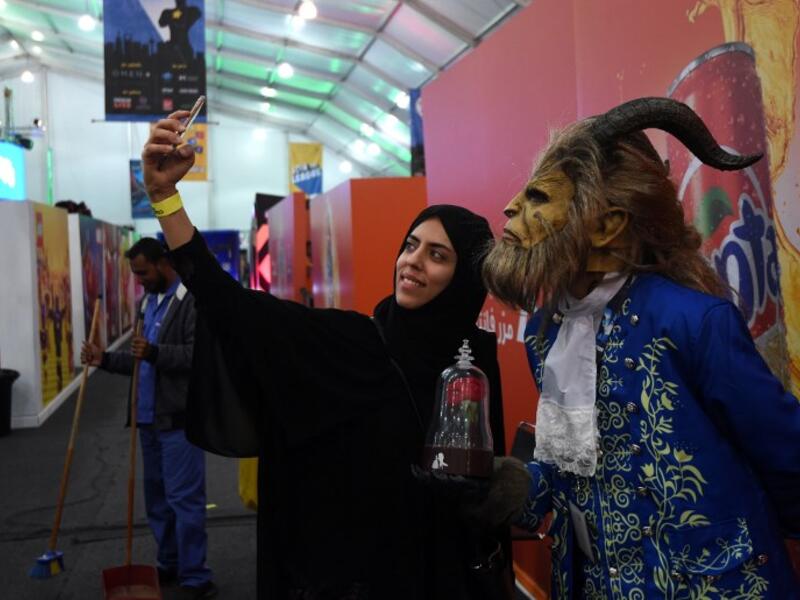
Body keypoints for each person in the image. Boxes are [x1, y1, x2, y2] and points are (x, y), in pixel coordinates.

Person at [141, 110, 508, 599]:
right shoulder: (357, 346)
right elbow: (229, 303)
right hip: (370, 579)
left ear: (464, 280)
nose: (412, 262)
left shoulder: (474, 359)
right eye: (411, 245)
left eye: (437, 255)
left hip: (450, 575)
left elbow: (484, 496)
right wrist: (165, 198)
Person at [480, 97, 800, 598]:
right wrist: (526, 485)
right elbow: (575, 467)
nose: (511, 208)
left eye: (540, 197)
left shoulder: (693, 322)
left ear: (607, 225)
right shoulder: (545, 333)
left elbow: (787, 458)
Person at [82, 237, 216, 600]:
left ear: (163, 263)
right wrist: (105, 359)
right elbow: (141, 358)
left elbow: (198, 357)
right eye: (135, 275)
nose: (139, 280)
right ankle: (170, 563)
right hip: (147, 421)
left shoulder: (189, 301)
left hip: (178, 420)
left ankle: (196, 577)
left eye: (143, 272)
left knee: (184, 501)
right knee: (157, 502)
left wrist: (156, 352)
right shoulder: (148, 302)